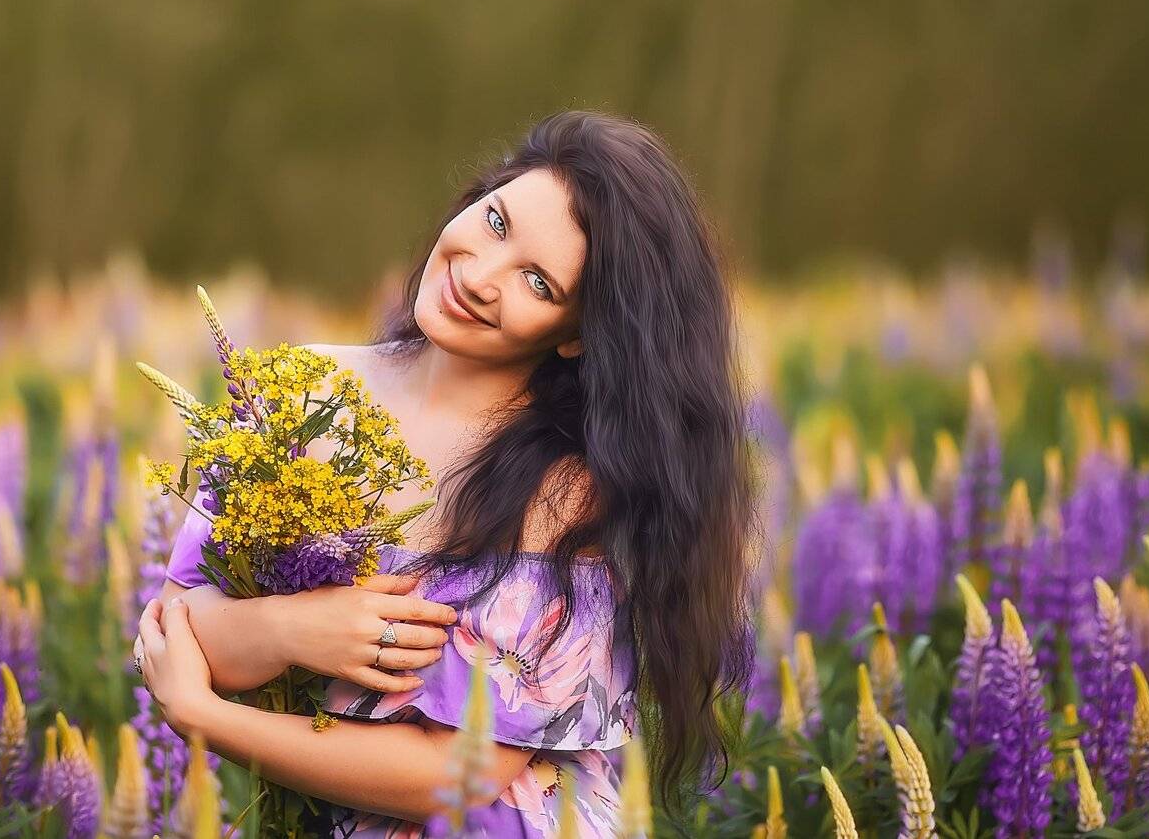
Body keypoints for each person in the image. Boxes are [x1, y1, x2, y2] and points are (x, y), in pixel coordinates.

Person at [134, 110, 759, 837]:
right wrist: (290, 629)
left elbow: (458, 775)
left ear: (577, 335)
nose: (481, 276)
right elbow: (174, 629)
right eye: (496, 222)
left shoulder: (566, 492)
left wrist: (206, 718)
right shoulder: (295, 394)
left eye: (538, 282)